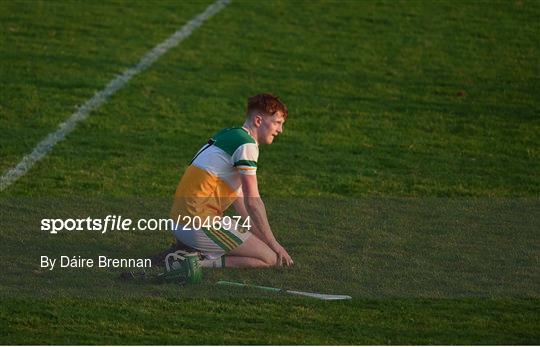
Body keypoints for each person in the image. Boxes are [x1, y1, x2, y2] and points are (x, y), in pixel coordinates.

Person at [169, 93, 293, 268]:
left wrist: (263, 239)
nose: (280, 130)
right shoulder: (246, 145)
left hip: (181, 222)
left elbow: (239, 199)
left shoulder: (230, 134)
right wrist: (274, 244)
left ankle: (189, 250)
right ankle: (194, 263)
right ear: (258, 121)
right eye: (277, 123)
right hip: (198, 222)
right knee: (269, 258)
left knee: (265, 250)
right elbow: (253, 201)